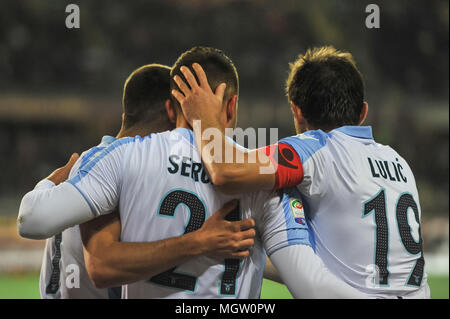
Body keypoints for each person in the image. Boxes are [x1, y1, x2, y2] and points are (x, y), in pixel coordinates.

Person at [18, 47, 364, 299]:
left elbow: (46, 230)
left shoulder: (121, 159)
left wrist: (51, 180)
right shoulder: (260, 175)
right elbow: (305, 278)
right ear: (232, 106)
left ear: (174, 105)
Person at [171, 46, 430, 299]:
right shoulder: (398, 162)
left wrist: (205, 119)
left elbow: (226, 172)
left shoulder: (315, 148)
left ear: (296, 110)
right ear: (363, 112)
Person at [36, 64, 256, 298]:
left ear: (125, 116)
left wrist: (48, 183)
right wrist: (200, 242)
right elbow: (103, 266)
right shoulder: (130, 171)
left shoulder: (93, 164)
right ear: (172, 112)